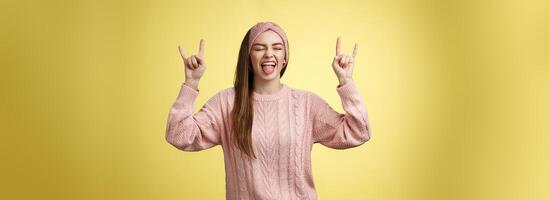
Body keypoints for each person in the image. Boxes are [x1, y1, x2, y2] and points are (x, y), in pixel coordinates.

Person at [165, 21, 371, 200]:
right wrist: (191, 84)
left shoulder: (306, 104)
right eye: (259, 48)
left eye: (277, 47)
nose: (269, 54)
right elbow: (178, 135)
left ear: (284, 58)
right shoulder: (226, 103)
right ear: (248, 56)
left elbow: (359, 132)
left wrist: (346, 81)